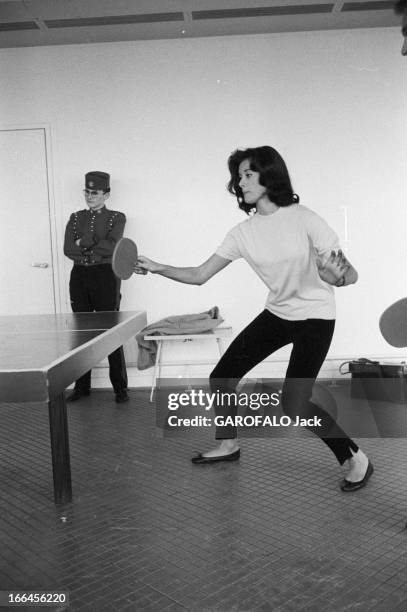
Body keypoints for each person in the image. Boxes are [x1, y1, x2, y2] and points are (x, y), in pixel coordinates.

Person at [134, 146, 373, 492]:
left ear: (269, 175)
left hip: (316, 316)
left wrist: (335, 276)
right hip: (278, 313)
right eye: (239, 176)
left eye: (248, 174)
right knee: (222, 377)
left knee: (294, 401)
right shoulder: (242, 233)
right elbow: (200, 274)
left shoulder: (306, 219)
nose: (240, 182)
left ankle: (355, 458)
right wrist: (158, 267)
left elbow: (350, 276)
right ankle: (228, 444)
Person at [64, 171, 129, 403]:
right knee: (81, 333)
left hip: (105, 276)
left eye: (95, 192)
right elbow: (68, 249)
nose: (90, 196)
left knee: (110, 331)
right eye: (87, 192)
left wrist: (85, 242)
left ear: (106, 194)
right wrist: (92, 245)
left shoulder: (117, 218)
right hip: (79, 275)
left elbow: (112, 248)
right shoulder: (75, 218)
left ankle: (120, 388)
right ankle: (82, 387)